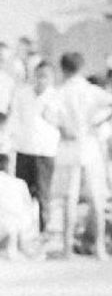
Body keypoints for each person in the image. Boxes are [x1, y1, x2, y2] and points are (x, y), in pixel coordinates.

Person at [47, 52, 112, 260]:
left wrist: (61, 127)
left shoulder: (60, 91)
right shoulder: (91, 90)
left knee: (70, 198)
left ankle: (67, 248)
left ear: (63, 69)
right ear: (82, 67)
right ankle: (99, 246)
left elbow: (47, 113)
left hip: (69, 146)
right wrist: (96, 122)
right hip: (89, 144)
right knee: (96, 198)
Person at [8, 59, 59, 235]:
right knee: (23, 195)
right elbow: (15, 120)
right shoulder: (23, 95)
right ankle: (23, 234)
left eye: (45, 76)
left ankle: (43, 232)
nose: (41, 80)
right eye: (39, 76)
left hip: (45, 152)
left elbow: (61, 124)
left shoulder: (56, 97)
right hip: (24, 150)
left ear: (52, 78)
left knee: (43, 194)